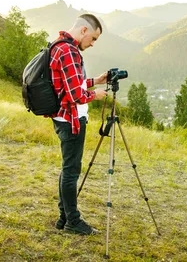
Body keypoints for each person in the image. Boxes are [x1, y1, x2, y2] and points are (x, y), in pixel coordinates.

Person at [49, 13, 108, 235]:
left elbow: (71, 83)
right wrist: (97, 95)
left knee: (68, 169)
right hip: (71, 119)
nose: (92, 44)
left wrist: (95, 81)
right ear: (84, 30)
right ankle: (72, 221)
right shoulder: (69, 51)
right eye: (93, 38)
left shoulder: (59, 46)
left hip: (62, 117)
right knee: (71, 171)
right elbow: (76, 95)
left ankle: (64, 218)